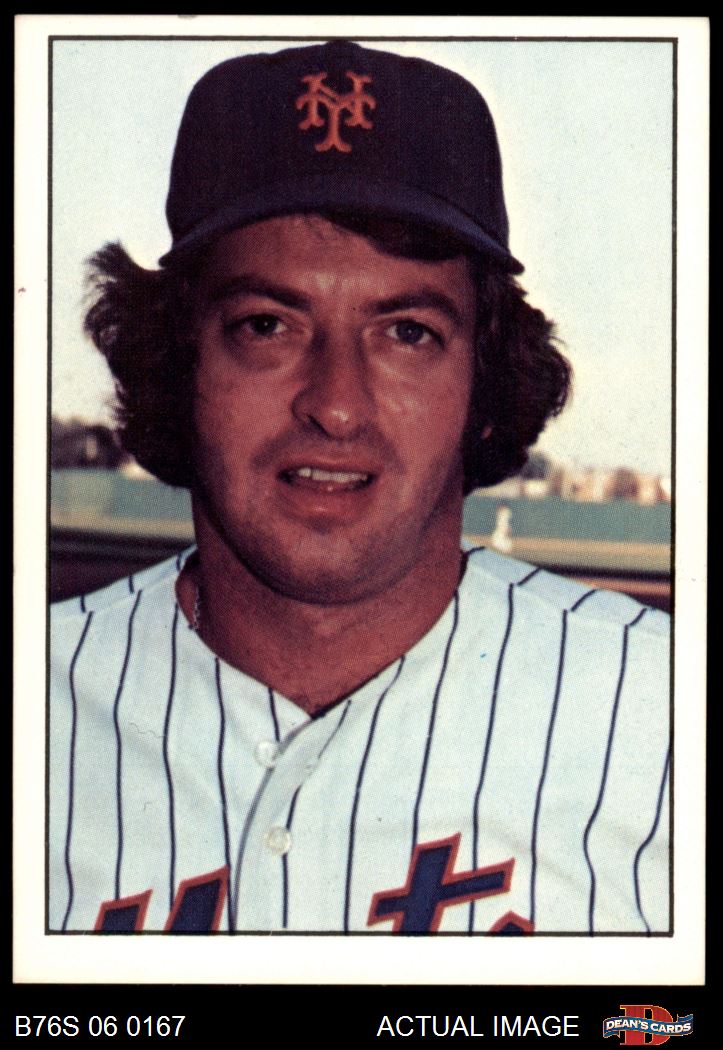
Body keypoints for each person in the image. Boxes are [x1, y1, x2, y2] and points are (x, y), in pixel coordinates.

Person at [49, 40, 670, 934]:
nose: (336, 405)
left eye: (407, 332)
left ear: (485, 382)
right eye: (266, 325)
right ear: (176, 364)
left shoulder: (663, 717)